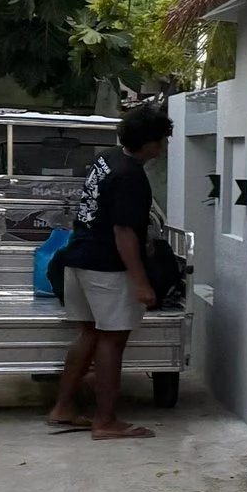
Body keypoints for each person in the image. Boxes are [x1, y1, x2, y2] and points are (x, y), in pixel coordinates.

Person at [47, 103, 173, 440]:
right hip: (107, 268)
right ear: (150, 142)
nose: (164, 146)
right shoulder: (132, 175)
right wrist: (141, 281)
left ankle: (63, 408)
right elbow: (124, 232)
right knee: (112, 341)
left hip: (77, 258)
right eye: (162, 139)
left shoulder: (106, 160)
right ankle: (106, 421)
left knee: (88, 333)